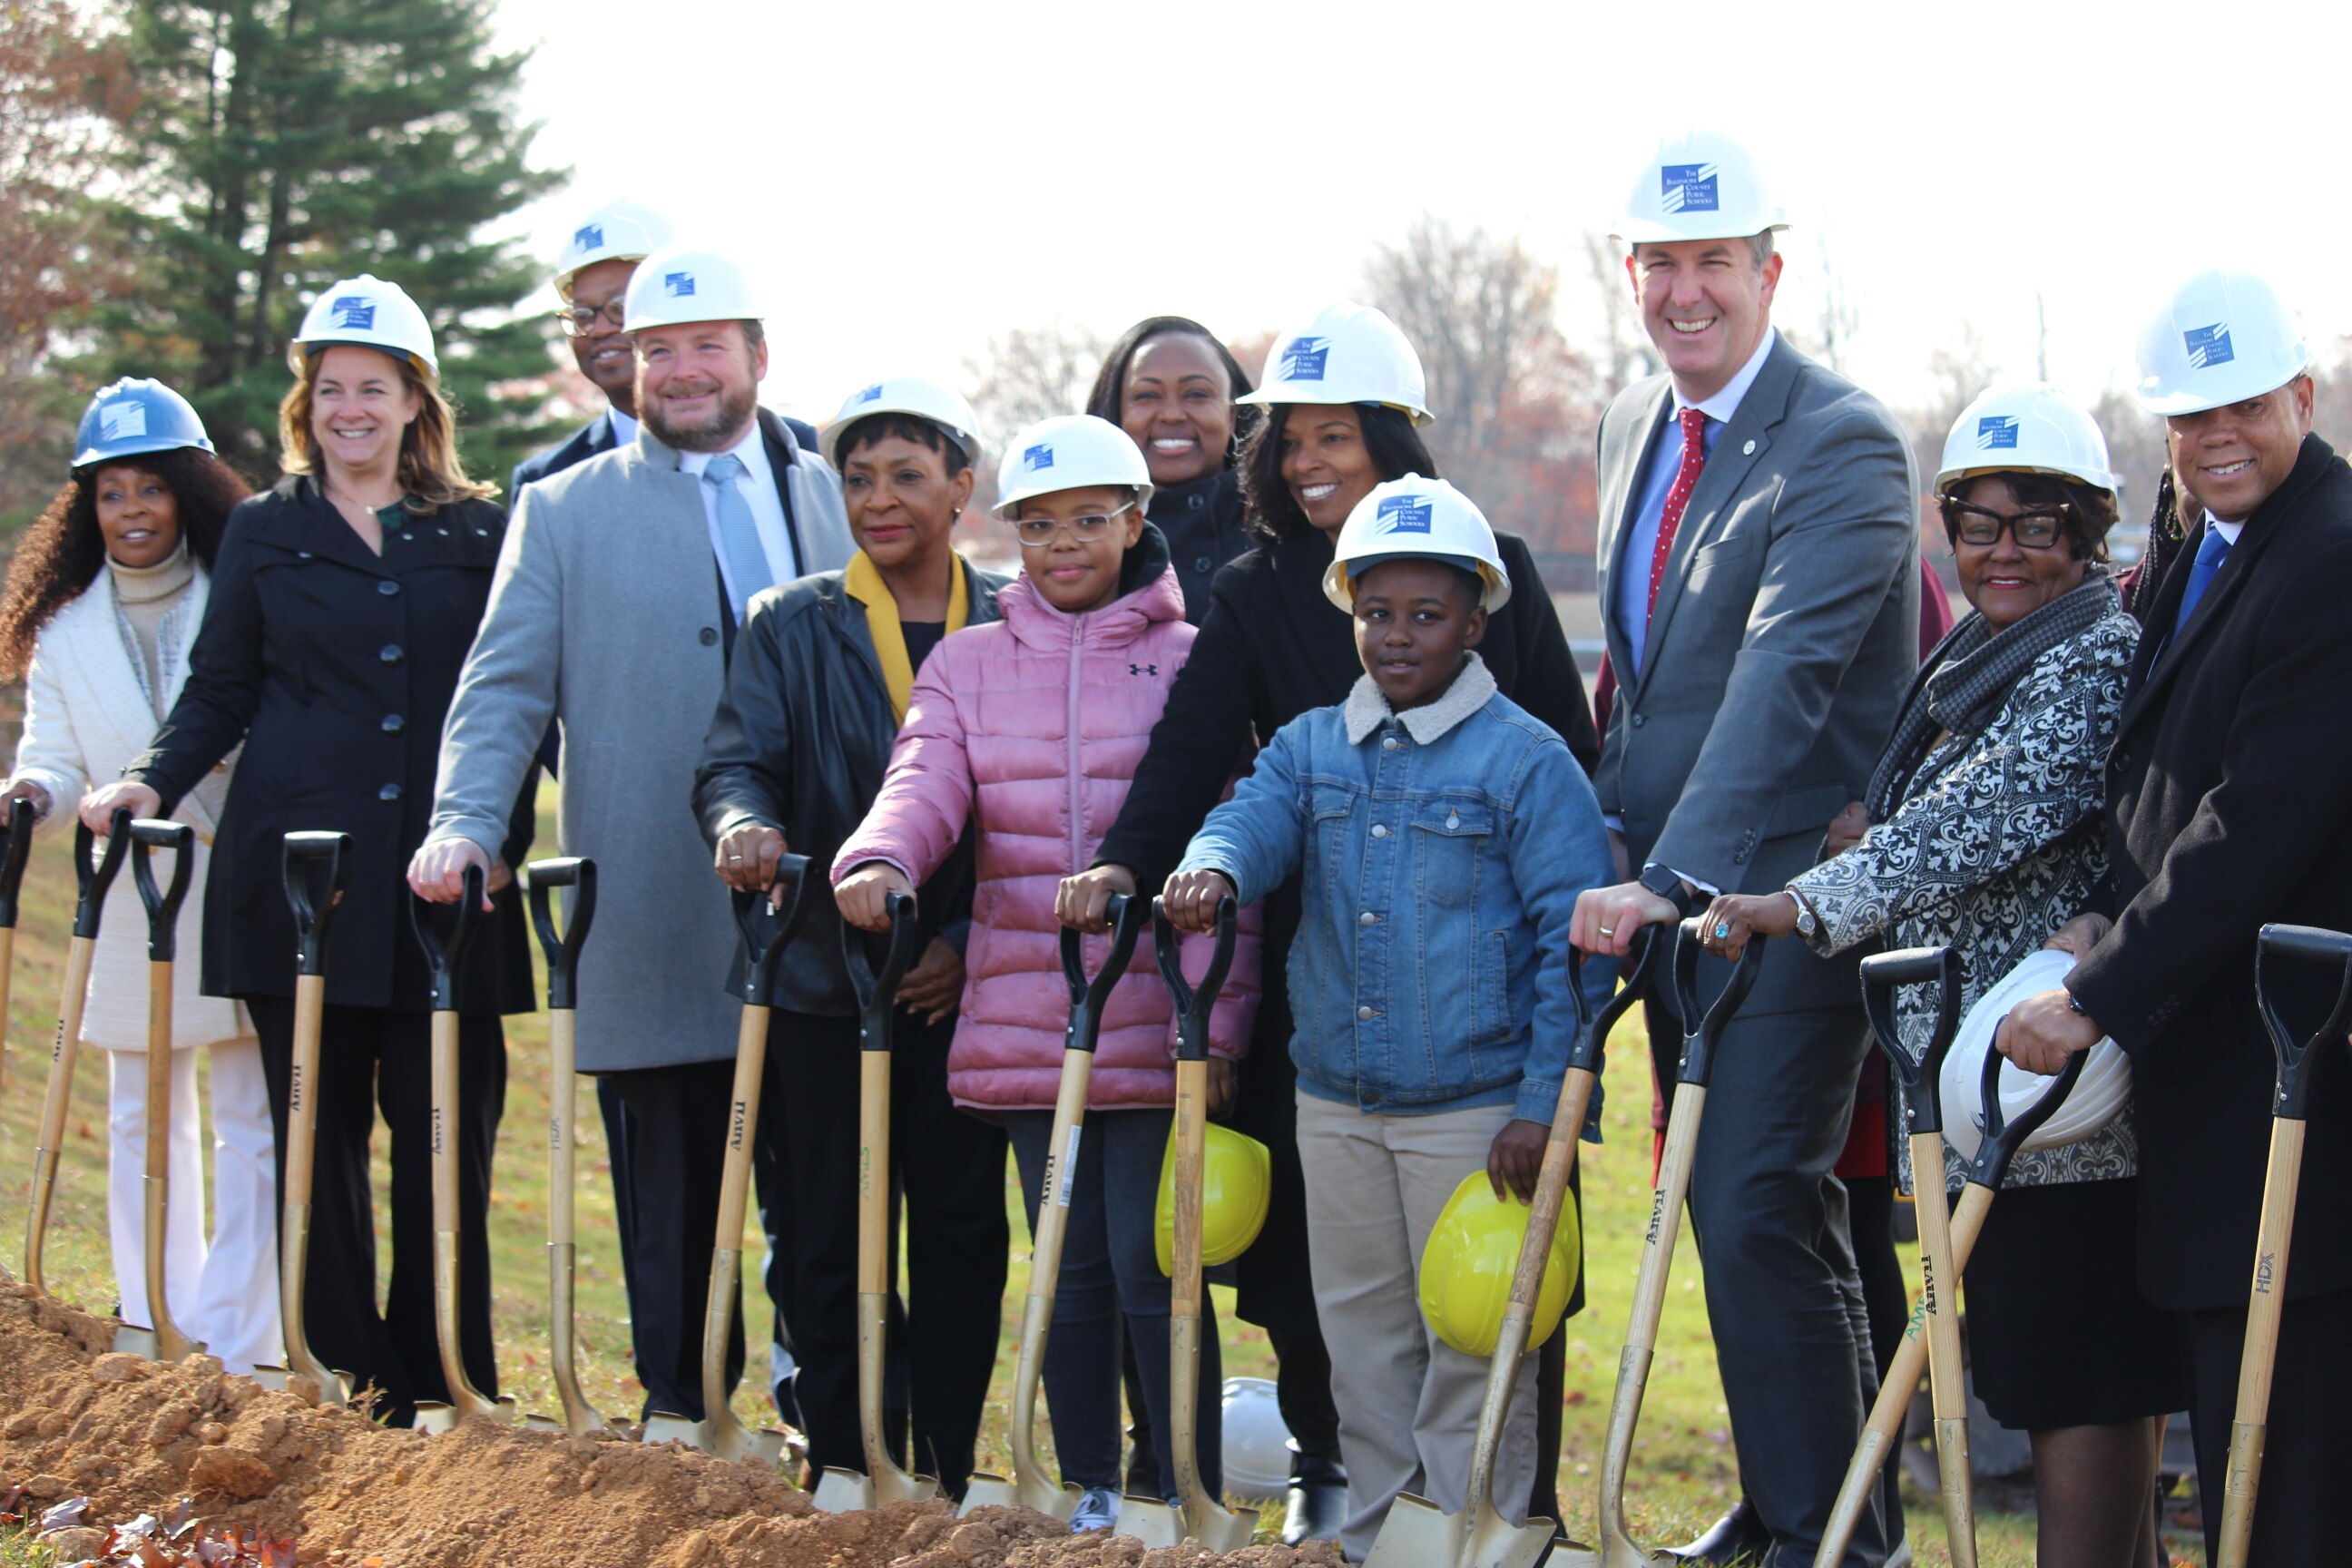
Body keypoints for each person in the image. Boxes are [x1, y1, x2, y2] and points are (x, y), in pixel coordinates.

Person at [1059, 298, 1598, 1546]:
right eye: (1291, 441)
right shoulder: (1258, 600)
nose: (1309, 463)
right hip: (1327, 987)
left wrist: (1550, 1073)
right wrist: (1152, 867)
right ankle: (1363, 1502)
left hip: (1479, 1001)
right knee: (1339, 1291)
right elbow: (1217, 769)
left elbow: (1566, 817)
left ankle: (1498, 1520)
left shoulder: (1490, 591)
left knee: (1487, 1293)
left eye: (1336, 439)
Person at [1700, 383, 2190, 1568]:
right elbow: (1933, 803)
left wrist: (1810, 899)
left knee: (2081, 1371)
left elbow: (1986, 818)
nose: (2005, 550)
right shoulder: (1973, 654)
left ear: (2090, 530)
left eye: (2038, 523)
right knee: (2034, 1358)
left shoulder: (2094, 656)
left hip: (2062, 1086)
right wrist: (1879, 818)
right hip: (1981, 1077)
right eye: (1980, 523)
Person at [409, 244, 851, 1436]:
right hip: (650, 896)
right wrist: (465, 823)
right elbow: (500, 691)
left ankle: (837, 1425)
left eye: (709, 345)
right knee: (669, 1181)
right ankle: (683, 1411)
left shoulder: (836, 486)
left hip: (825, 901)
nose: (683, 371)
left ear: (758, 355)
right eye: (659, 350)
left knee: (824, 1180)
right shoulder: (562, 513)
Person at [80, 280, 535, 1424]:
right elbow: (221, 686)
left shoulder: (484, 532)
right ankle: (352, 1373)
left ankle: (448, 1371)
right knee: (317, 1132)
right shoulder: (264, 531)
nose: (349, 409)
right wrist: (151, 777)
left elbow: (522, 700)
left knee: (445, 1135)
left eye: (371, 387)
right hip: (301, 879)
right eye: (329, 388)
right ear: (306, 403)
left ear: (414, 400)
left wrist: (498, 839)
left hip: (444, 883)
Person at [1566, 134, 1919, 1568]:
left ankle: (1823, 1534)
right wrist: (1604, 825)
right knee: (1747, 1204)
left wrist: (1677, 879)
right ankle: (1819, 1513)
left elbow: (1785, 680)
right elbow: (1647, 692)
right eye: (1662, 263)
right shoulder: (1623, 430)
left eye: (1717, 262)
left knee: (1756, 1193)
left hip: (1779, 887)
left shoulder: (1843, 442)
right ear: (1631, 276)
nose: (1688, 291)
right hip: (1666, 885)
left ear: (1770, 271)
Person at [1161, 476, 1614, 1565]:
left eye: (1426, 614)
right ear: (1347, 611)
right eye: (1375, 611)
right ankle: (1374, 1543)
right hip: (1337, 1100)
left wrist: (1543, 1107)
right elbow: (1250, 819)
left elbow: (1577, 949)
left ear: (1475, 618)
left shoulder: (1526, 763)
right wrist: (1212, 866)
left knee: (1475, 1340)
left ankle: (1471, 1540)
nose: (1397, 635)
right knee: (1361, 1342)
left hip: (1475, 1113)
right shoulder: (1314, 746)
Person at [829, 414, 1259, 1535]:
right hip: (1033, 1006)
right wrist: (881, 855)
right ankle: (1095, 1495)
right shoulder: (967, 664)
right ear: (1010, 531)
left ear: (1134, 519)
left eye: (1087, 518)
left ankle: (1185, 1490)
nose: (1063, 542)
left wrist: (1218, 1027)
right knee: (1064, 1260)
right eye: (1039, 523)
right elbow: (922, 778)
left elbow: (1231, 848)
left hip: (1165, 1009)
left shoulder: (1192, 657)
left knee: (1149, 1261)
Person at [1999, 270, 2352, 1566]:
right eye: (2191, 417)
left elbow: (2258, 822)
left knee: (2290, 1461)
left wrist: (2097, 993)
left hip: (2294, 1065)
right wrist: (2099, 913)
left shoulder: (2332, 554)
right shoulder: (2204, 549)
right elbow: (2157, 787)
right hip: (2211, 1072)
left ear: (2302, 399)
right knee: (2236, 1430)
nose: (2218, 438)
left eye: (2246, 408)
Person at [691, 377, 1009, 1494]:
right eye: (859, 477)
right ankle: (841, 1457)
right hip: (825, 977)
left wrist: (966, 934)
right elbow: (736, 761)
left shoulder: (1014, 619)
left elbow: (1040, 807)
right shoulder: (793, 620)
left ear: (962, 486)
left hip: (965, 987)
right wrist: (745, 822)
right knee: (826, 1226)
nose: (880, 498)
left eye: (908, 475)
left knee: (962, 1232)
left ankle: (945, 1468)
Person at [0, 379, 278, 1373]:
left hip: (235, 868)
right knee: (138, 1106)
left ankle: (244, 1332)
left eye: (150, 490)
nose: (132, 512)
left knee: (251, 1107)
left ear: (187, 494)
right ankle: (154, 1307)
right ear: (89, 508)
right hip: (126, 886)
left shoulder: (241, 591)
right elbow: (54, 749)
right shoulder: (68, 632)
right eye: (110, 494)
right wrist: (31, 787)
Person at [512, 201, 821, 495]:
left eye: (622, 307)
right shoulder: (547, 483)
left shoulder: (806, 452)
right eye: (582, 315)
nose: (601, 329)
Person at [1084, 316, 1258, 623]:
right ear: (1117, 414)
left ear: (1232, 415)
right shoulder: (1079, 538)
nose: (1173, 415)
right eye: (1147, 396)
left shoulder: (1283, 526)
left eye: (1197, 394)